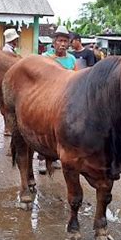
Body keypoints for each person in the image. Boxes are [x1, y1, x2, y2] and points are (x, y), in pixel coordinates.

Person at [37, 26, 77, 173]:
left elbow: (76, 77)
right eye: (60, 40)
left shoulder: (72, 59)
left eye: (65, 41)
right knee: (44, 129)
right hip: (48, 98)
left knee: (60, 131)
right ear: (54, 42)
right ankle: (42, 158)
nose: (63, 44)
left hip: (66, 100)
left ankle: (53, 158)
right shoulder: (45, 58)